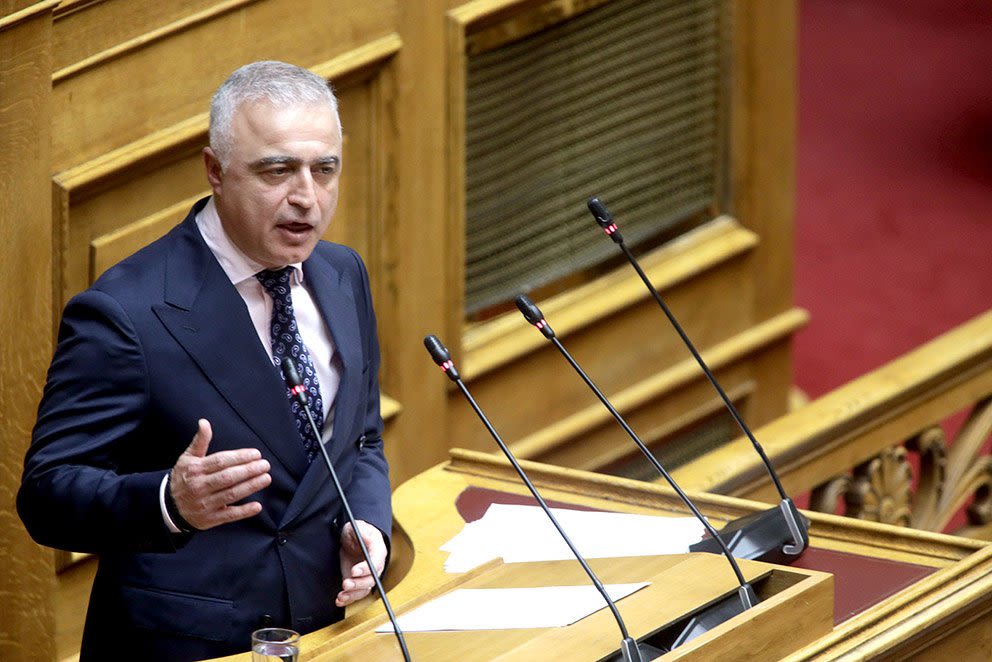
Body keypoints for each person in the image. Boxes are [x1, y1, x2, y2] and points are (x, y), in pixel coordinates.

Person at [17, 61, 391, 661]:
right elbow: (47, 495)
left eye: (324, 169)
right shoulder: (126, 311)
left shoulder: (342, 273)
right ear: (215, 170)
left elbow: (362, 437)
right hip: (186, 645)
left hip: (323, 633)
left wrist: (367, 526)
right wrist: (169, 501)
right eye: (277, 170)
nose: (307, 197)